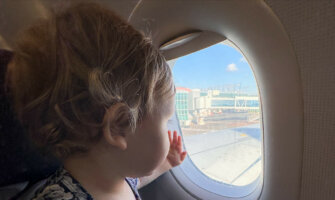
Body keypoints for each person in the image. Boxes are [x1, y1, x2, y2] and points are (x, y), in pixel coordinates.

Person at [6, 2, 187, 200]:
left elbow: (137, 182)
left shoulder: (118, 177)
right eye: (166, 120)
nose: (170, 129)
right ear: (119, 126)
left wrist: (166, 164)